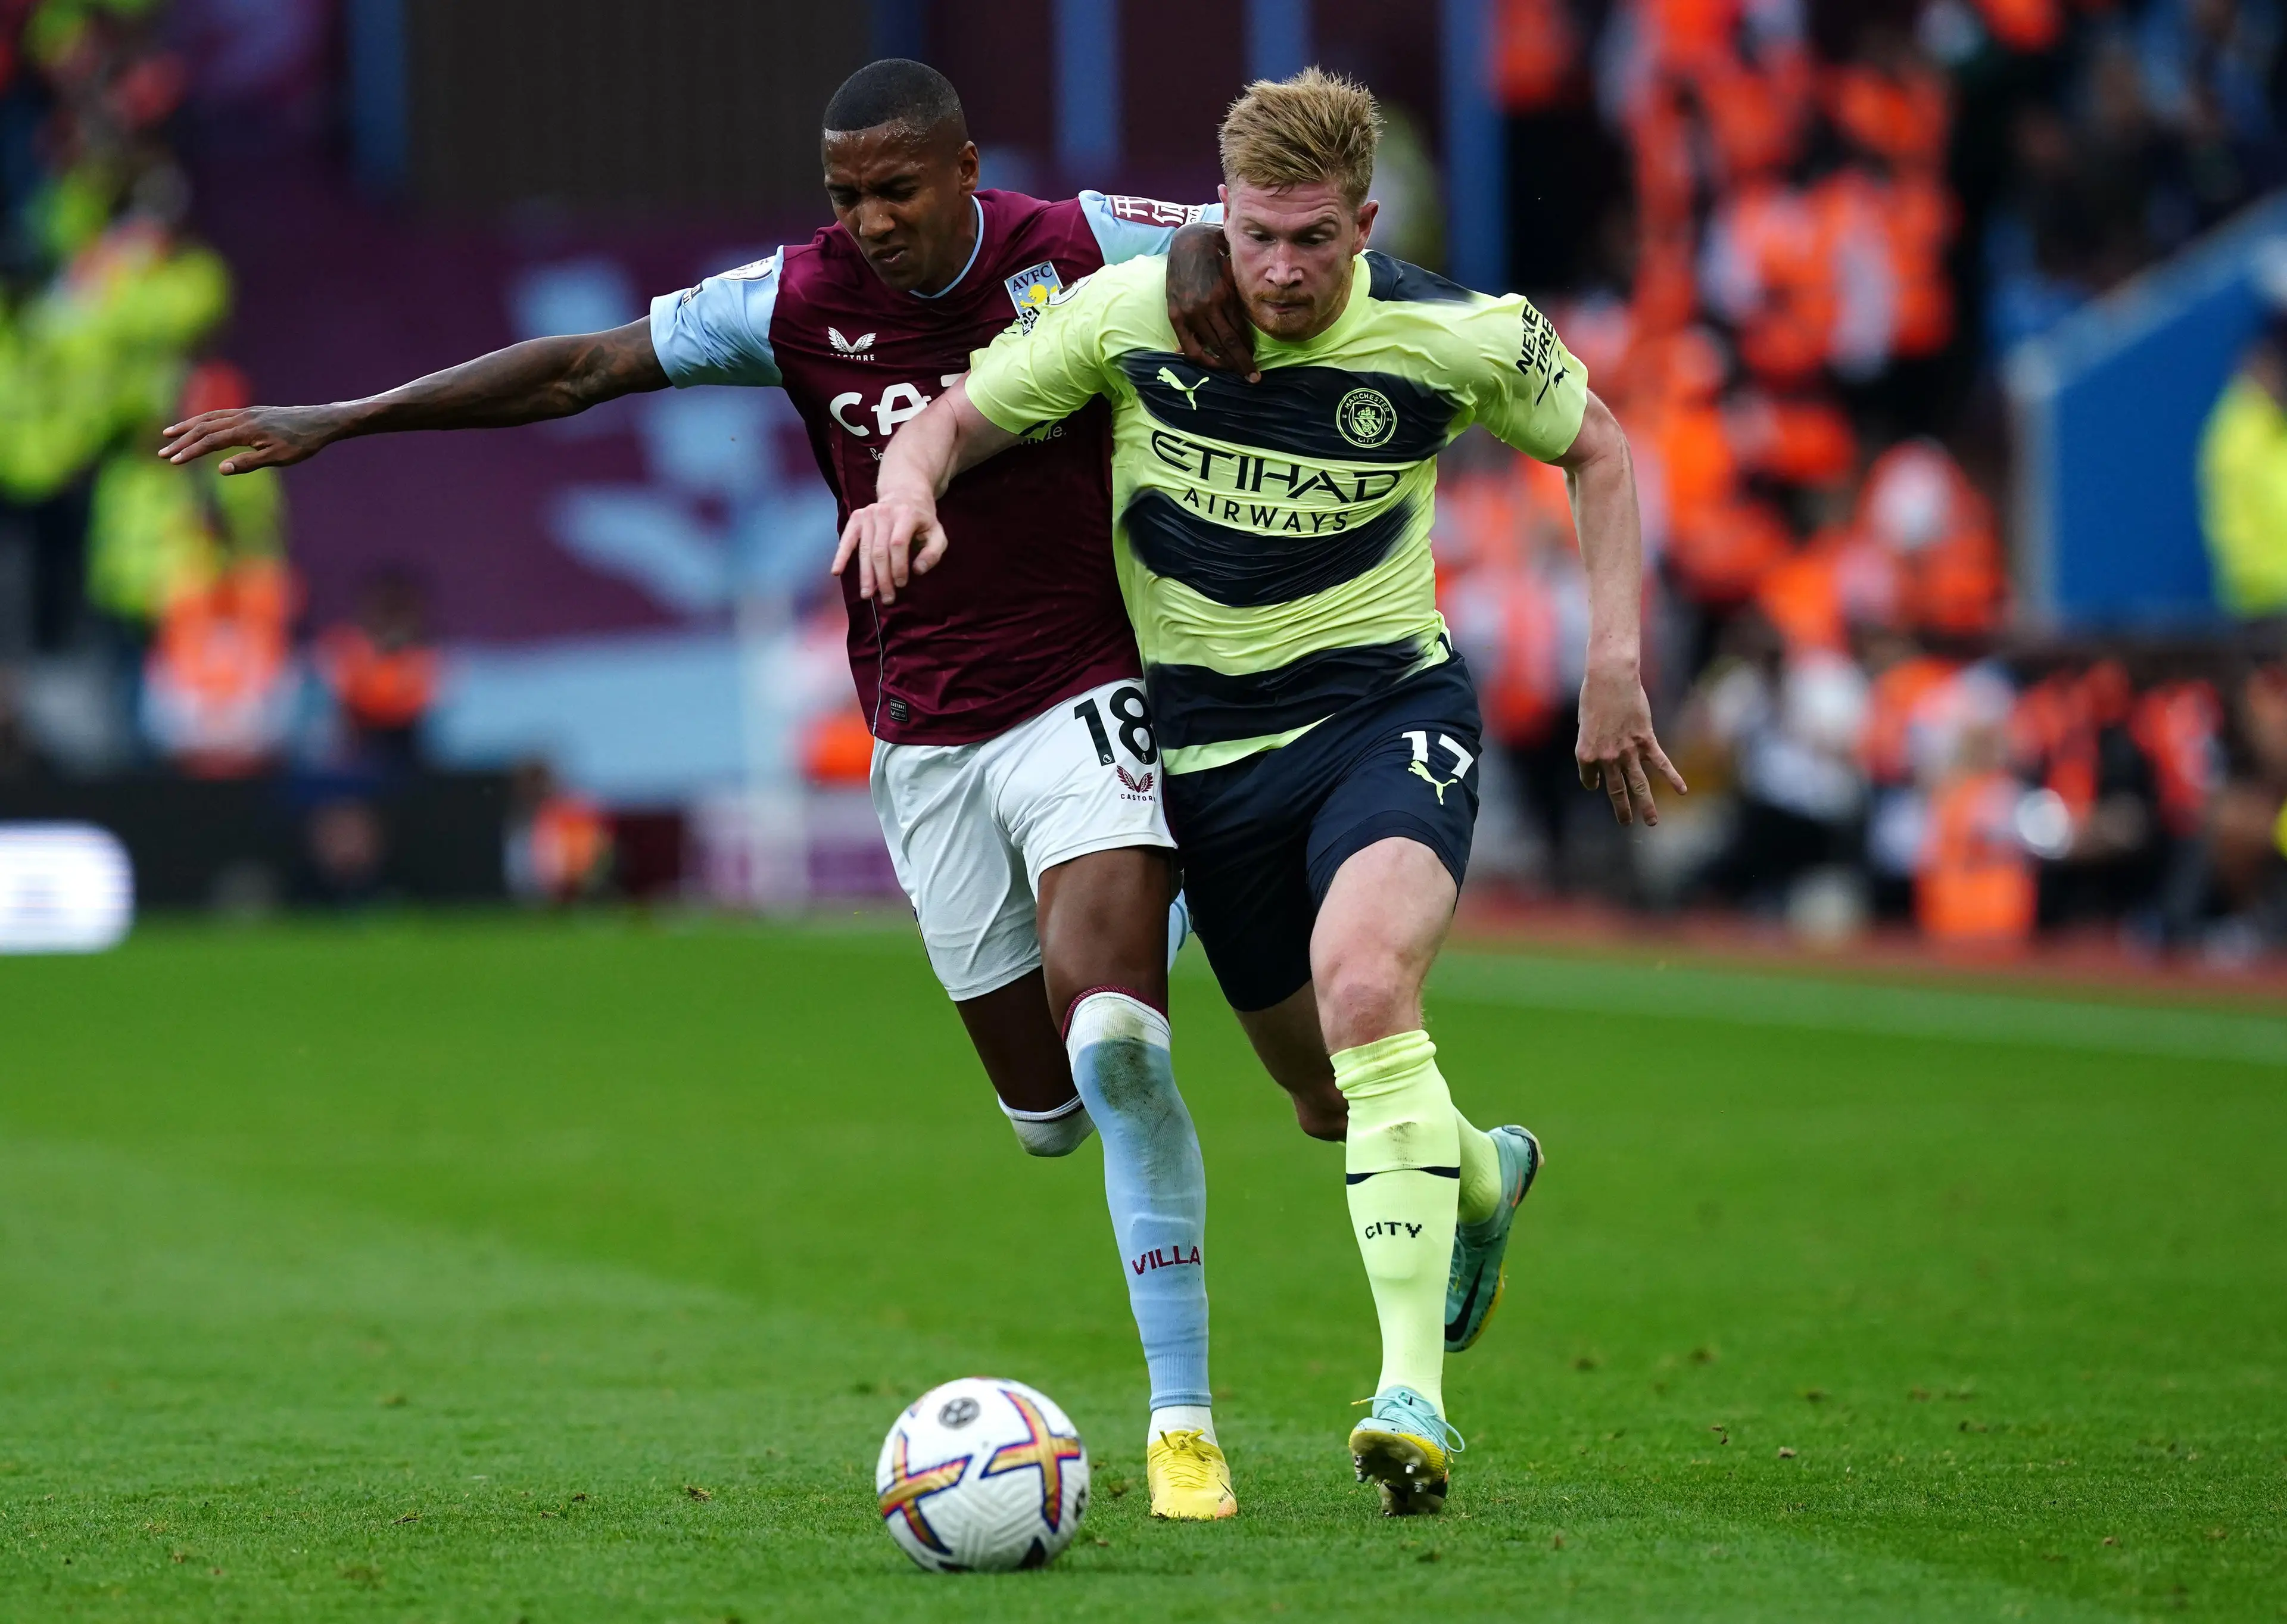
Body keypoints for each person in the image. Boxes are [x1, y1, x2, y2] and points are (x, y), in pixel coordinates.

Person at [157, 59, 1257, 1521]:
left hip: (1088, 692)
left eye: (897, 189)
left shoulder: (1069, 243)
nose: (868, 220)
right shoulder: (797, 303)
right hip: (926, 738)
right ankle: (1145, 931)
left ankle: (1183, 1427)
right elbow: (580, 368)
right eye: (845, 195)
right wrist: (343, 419)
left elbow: (1246, 239)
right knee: (1050, 1106)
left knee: (1119, 1044)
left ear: (965, 168)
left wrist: (1210, 259)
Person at [839, 68, 1682, 1516]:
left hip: (1384, 714)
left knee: (1368, 995)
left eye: (1312, 240)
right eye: (1254, 238)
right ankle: (1482, 1174)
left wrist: (1615, 658)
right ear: (1217, 220)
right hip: (1213, 766)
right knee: (1326, 1101)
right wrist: (907, 488)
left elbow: (1599, 446)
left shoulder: (1459, 334)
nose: (1281, 272)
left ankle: (1408, 1396)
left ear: (1363, 223)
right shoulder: (1130, 317)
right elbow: (949, 422)